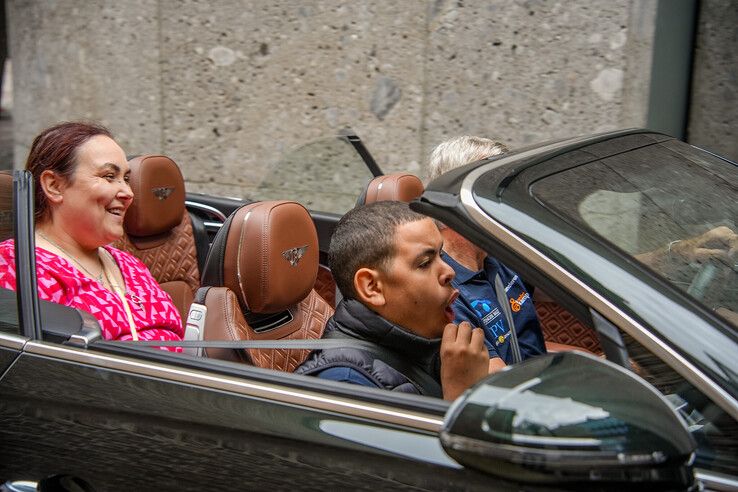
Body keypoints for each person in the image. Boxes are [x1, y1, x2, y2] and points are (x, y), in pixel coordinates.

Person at [0, 121, 184, 349]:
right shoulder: (18, 266)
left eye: (126, 179)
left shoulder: (127, 263)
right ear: (54, 185)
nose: (128, 193)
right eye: (109, 176)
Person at [296, 201, 489, 401]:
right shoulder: (345, 385)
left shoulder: (425, 338)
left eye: (441, 255)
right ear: (372, 287)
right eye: (424, 263)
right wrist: (461, 394)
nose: (449, 271)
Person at [428, 136, 583, 372]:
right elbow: (496, 382)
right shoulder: (447, 289)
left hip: (538, 379)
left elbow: (578, 282)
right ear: (459, 198)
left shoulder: (498, 256)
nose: (506, 199)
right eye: (494, 188)